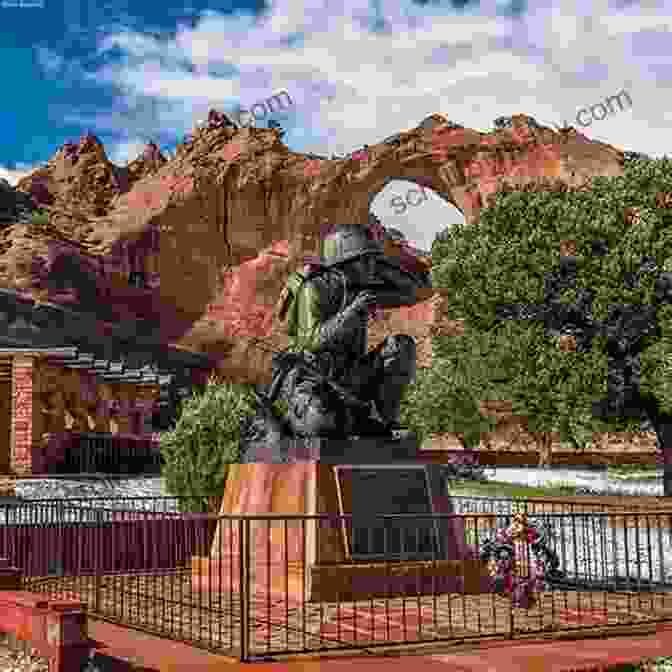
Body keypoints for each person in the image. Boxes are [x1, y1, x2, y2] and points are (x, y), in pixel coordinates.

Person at [268, 223, 426, 439]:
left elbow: (414, 292)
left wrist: (381, 265)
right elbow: (311, 341)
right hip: (315, 378)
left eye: (373, 259)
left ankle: (384, 422)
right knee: (321, 425)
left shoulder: (363, 290)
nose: (372, 265)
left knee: (401, 347)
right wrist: (351, 312)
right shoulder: (314, 289)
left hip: (352, 375)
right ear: (346, 263)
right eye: (366, 260)